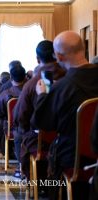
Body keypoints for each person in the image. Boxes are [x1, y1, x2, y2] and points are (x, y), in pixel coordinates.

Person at [32, 31, 98, 199]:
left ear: (59, 57)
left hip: (75, 159)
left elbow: (41, 124)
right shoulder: (62, 87)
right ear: (83, 48)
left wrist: (42, 96)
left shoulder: (61, 88)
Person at [13, 40, 66, 180]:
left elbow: (20, 116)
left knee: (20, 135)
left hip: (40, 142)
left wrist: (24, 129)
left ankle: (29, 177)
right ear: (57, 55)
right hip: (70, 141)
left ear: (37, 59)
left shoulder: (31, 85)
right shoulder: (70, 79)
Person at [0, 62, 26, 178]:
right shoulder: (30, 91)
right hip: (31, 127)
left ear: (11, 78)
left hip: (12, 127)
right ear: (25, 76)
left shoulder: (5, 94)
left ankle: (21, 166)